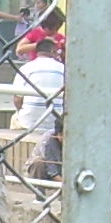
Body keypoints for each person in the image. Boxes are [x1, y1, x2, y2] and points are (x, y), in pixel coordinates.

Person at [10, 35, 66, 179]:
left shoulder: (26, 68)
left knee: (14, 117)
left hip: (30, 122)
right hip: (58, 119)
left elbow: (17, 99)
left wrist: (20, 111)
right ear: (53, 51)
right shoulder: (64, 69)